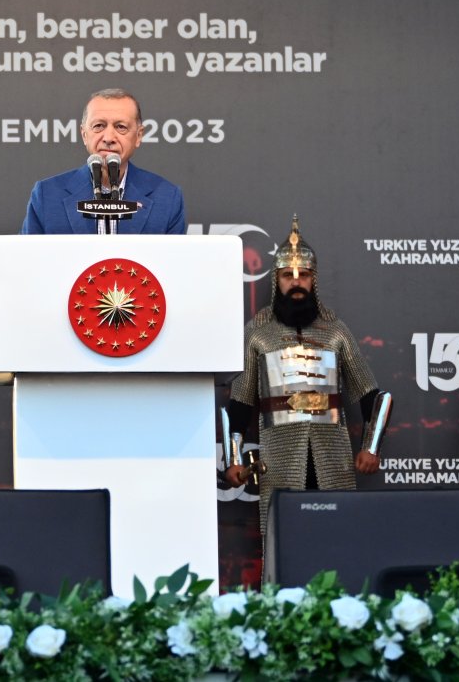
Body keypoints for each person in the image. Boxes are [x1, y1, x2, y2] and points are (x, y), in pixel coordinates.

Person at [223, 217, 388, 541]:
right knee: (284, 540)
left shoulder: (336, 332)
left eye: (304, 275)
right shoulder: (258, 334)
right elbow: (240, 403)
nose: (296, 282)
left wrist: (371, 447)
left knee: (336, 538)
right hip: (280, 456)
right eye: (288, 275)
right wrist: (232, 459)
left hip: (333, 454)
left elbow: (373, 396)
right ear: (277, 280)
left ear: (314, 280)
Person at [20, 88, 186, 234]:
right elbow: (25, 261)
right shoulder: (47, 195)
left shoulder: (166, 197)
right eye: (99, 125)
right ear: (84, 134)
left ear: (139, 135)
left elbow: (174, 266)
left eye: (121, 127)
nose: (108, 138)